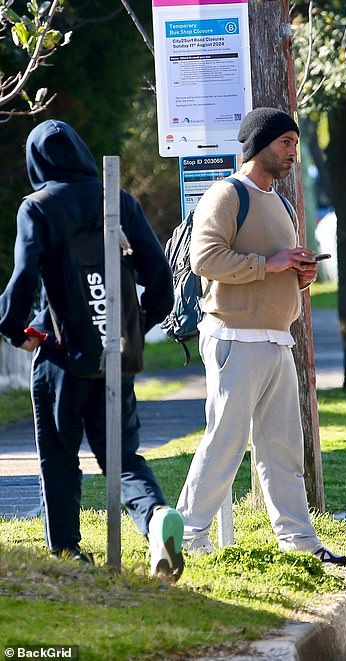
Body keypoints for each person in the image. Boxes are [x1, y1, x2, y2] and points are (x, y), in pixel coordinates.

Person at [0, 119, 185, 581]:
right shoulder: (117, 199)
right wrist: (139, 323)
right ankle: (157, 517)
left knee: (60, 456)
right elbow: (159, 274)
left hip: (62, 358)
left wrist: (11, 327)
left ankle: (67, 551)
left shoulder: (38, 207)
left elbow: (24, 278)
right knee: (121, 456)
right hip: (115, 352)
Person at [177, 107, 346, 565]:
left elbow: (279, 269)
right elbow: (205, 258)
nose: (293, 152)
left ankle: (300, 542)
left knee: (283, 449)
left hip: (277, 340)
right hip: (236, 337)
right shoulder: (227, 195)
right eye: (285, 143)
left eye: (295, 142)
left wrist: (301, 272)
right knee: (225, 442)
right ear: (258, 145)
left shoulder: (282, 202)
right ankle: (188, 536)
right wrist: (266, 265)